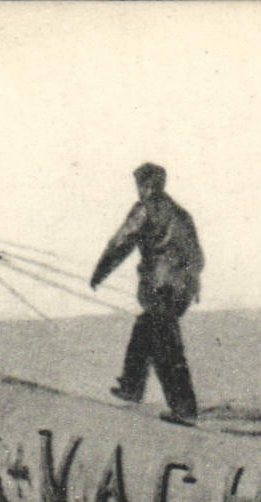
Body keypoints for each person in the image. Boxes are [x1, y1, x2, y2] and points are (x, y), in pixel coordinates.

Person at [89, 162, 203, 422]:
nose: (139, 190)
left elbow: (121, 242)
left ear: (147, 184)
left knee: (162, 342)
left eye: (140, 184)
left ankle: (176, 405)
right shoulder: (180, 213)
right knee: (152, 334)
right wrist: (191, 284)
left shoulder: (146, 209)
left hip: (159, 285)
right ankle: (137, 387)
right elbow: (197, 256)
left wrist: (99, 272)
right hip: (180, 289)